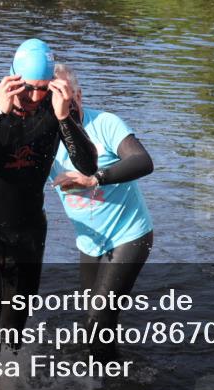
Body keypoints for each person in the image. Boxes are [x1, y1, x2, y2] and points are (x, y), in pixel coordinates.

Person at [0, 39, 98, 362]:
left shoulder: (56, 106)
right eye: (28, 88)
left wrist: (65, 118)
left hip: (28, 231)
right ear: (12, 78)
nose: (35, 97)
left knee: (14, 327)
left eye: (43, 88)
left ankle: (5, 386)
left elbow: (88, 166)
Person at [48, 64, 154, 362]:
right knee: (95, 320)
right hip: (89, 244)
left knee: (97, 321)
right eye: (52, 95)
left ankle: (110, 386)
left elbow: (143, 161)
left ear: (78, 94)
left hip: (130, 234)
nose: (61, 102)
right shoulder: (44, 138)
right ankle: (108, 377)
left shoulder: (105, 123)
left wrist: (94, 178)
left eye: (66, 94)